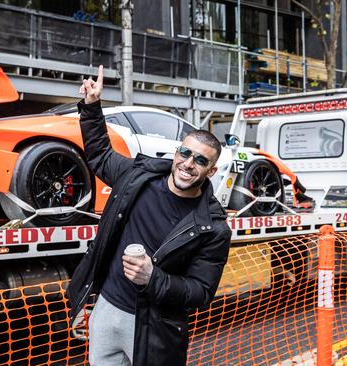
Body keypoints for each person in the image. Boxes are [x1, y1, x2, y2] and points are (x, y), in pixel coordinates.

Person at [66, 65, 231, 366]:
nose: (188, 164)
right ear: (176, 152)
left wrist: (153, 278)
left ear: (211, 170)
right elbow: (100, 154)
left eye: (201, 160)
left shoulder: (213, 228)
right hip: (106, 312)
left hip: (154, 328)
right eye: (185, 153)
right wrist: (91, 107)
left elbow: (201, 292)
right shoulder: (137, 177)